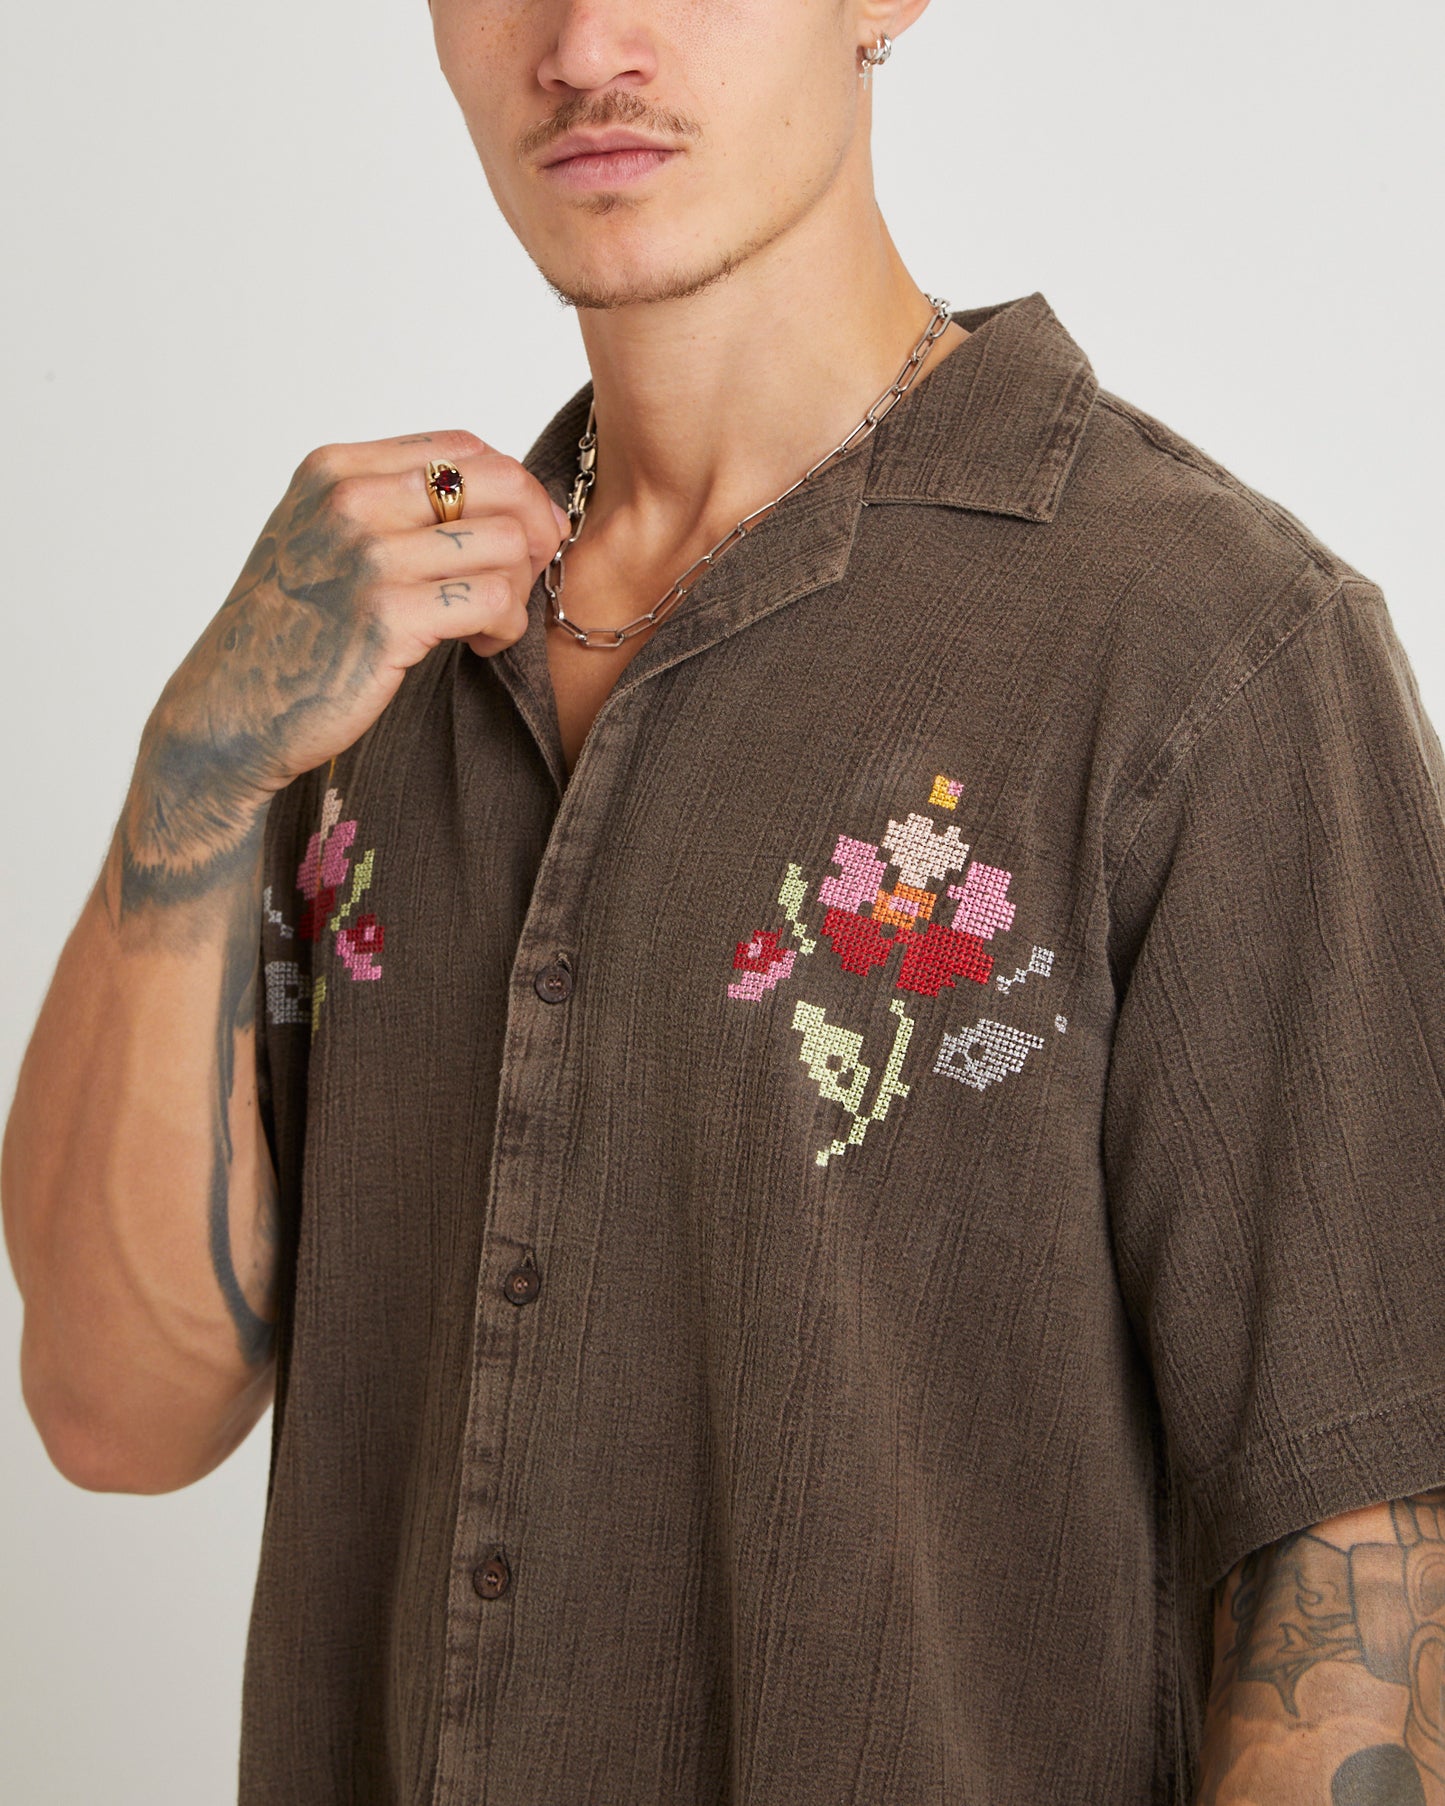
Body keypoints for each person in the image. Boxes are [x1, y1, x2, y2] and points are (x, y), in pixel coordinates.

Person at [4, 2, 1444, 1801]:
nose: (582, 41)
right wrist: (202, 760)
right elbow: (114, 1412)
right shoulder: (370, 661)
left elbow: (1362, 1569)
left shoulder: (1210, 653)